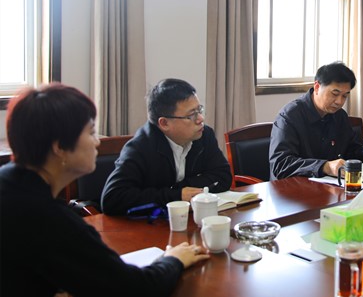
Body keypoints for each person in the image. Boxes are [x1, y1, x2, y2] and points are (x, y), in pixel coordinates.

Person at [0, 84, 209, 297]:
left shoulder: (9, 183)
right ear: (60, 147)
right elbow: (136, 288)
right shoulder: (49, 219)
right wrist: (173, 259)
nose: (97, 141)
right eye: (91, 132)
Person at [101, 78, 232, 215]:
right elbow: (112, 198)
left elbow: (223, 176)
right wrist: (176, 195)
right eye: (191, 115)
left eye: (199, 110)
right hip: (151, 223)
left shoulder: (204, 135)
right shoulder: (140, 147)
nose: (200, 119)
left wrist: (181, 188)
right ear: (164, 123)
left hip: (191, 217)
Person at [269, 62, 363, 180]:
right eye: (335, 94)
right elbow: (280, 164)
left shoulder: (339, 115)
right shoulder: (290, 116)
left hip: (328, 185)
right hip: (292, 190)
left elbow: (353, 150)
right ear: (317, 87)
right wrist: (325, 166)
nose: (339, 102)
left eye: (344, 96)